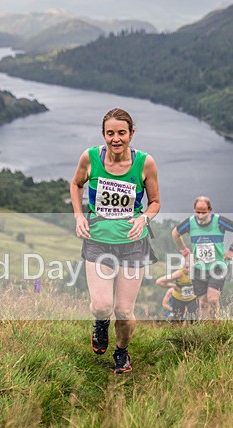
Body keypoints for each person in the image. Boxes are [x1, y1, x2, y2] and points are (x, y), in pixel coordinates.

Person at [71, 108, 160, 374]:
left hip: (134, 244)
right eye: (110, 133)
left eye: (122, 133)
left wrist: (144, 219)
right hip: (98, 240)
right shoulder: (90, 158)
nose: (116, 138)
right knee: (101, 305)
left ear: (132, 133)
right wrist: (78, 217)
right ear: (104, 134)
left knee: (123, 310)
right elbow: (75, 185)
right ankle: (100, 324)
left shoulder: (145, 163)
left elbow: (155, 202)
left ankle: (121, 351)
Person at [171, 196, 233, 319]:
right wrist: (184, 251)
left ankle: (216, 323)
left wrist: (232, 250)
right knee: (203, 302)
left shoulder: (219, 221)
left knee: (213, 298)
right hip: (199, 268)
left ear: (210, 210)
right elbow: (175, 233)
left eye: (203, 212)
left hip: (217, 266)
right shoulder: (190, 222)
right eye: (197, 212)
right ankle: (206, 329)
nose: (200, 216)